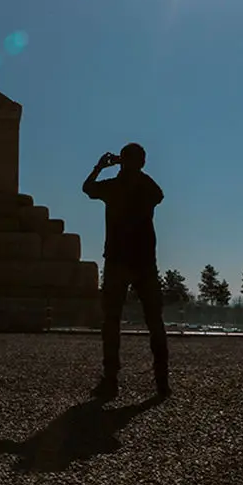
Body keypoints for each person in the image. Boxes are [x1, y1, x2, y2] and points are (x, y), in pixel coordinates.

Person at [82, 143, 169, 401]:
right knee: (153, 321)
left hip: (122, 261)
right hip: (141, 261)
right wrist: (131, 167)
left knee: (113, 321)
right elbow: (159, 194)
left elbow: (87, 188)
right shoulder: (145, 187)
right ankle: (161, 381)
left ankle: (111, 380)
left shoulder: (114, 187)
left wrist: (100, 166)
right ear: (142, 162)